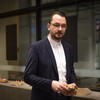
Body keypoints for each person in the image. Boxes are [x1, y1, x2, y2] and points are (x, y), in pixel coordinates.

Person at [24, 11, 77, 100]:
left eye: (63, 26)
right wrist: (50, 84)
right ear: (48, 26)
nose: (60, 29)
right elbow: (28, 76)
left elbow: (71, 71)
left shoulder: (68, 48)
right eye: (56, 25)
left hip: (65, 98)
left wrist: (73, 83)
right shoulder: (36, 48)